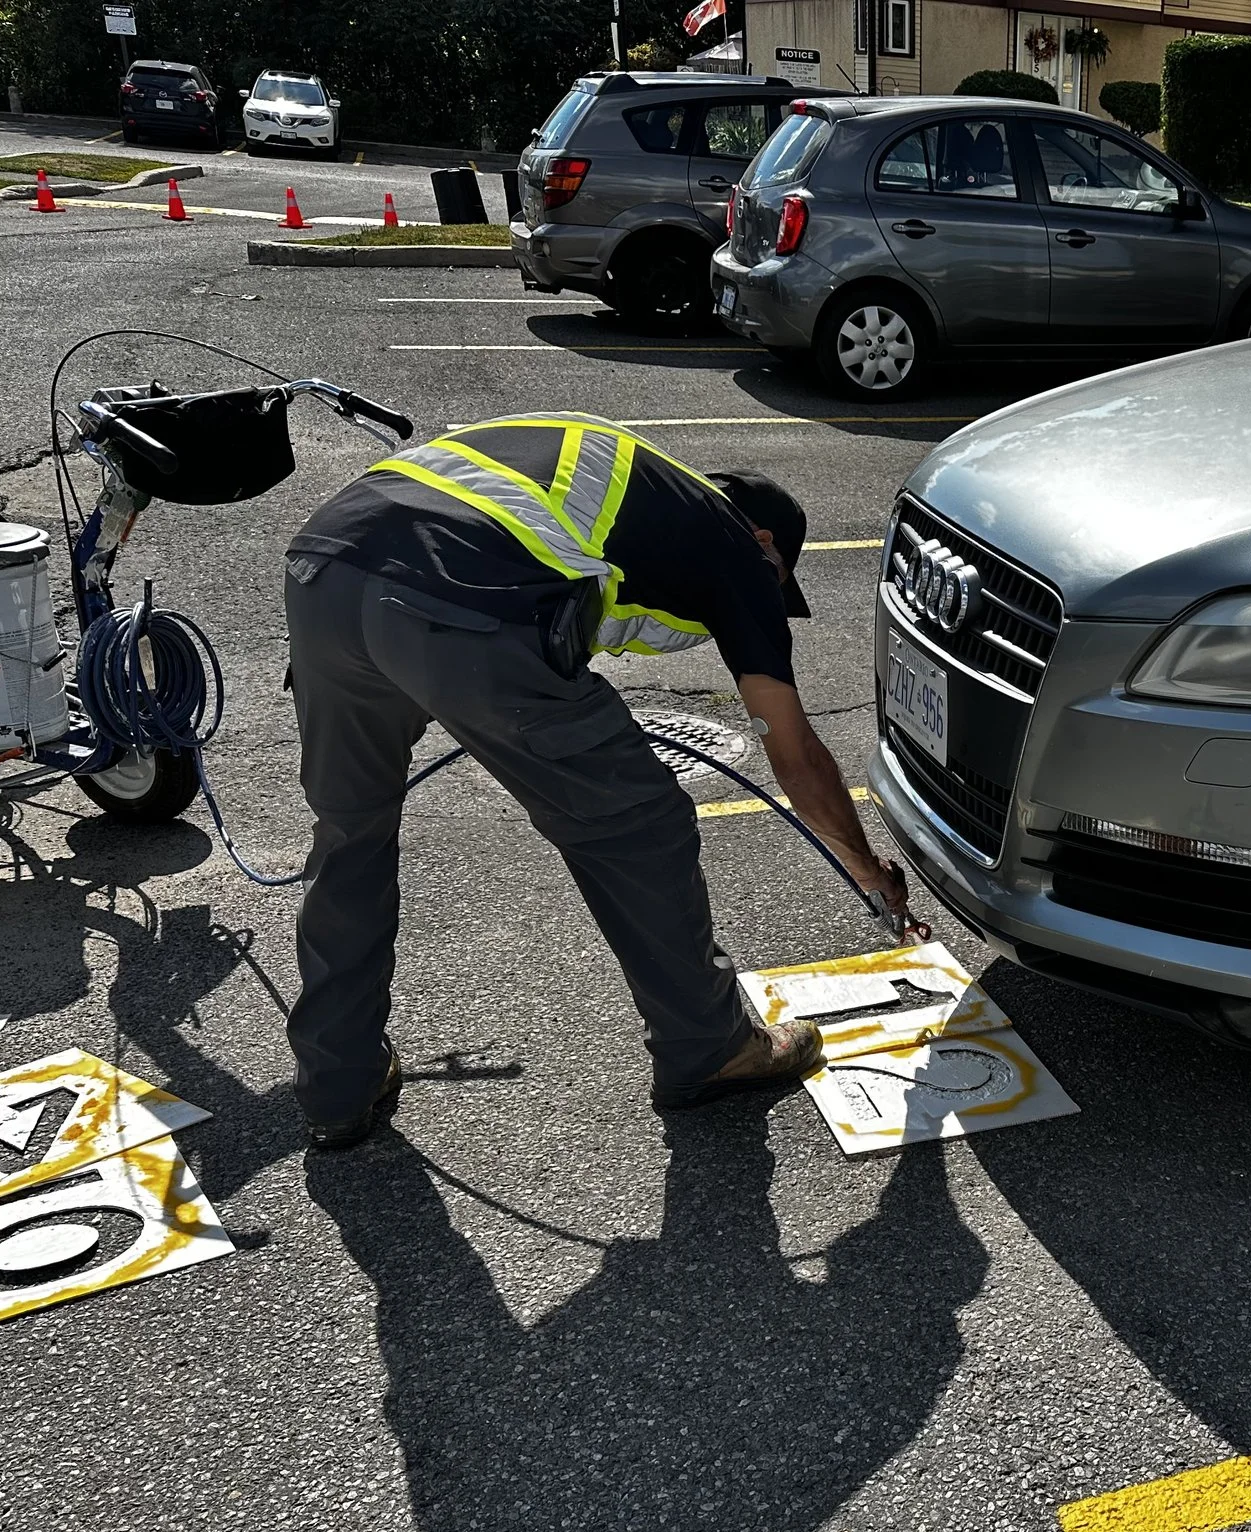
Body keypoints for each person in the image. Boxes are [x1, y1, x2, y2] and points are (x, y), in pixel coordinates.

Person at [279, 410, 910, 1149]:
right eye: (777, 581)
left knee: (351, 833)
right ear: (765, 542)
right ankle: (711, 1046)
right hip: (464, 597)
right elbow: (794, 752)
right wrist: (869, 872)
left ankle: (336, 1082)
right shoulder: (736, 550)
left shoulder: (635, 486)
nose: (766, 599)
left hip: (325, 568)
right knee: (642, 823)